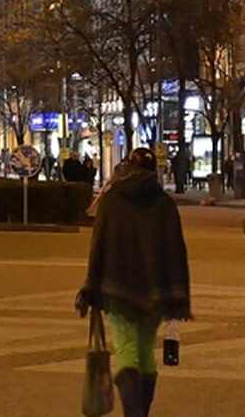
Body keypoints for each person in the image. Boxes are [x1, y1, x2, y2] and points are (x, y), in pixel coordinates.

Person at [79, 148, 190, 417]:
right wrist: (179, 295)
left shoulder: (111, 201)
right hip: (155, 289)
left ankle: (134, 411)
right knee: (145, 349)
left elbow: (99, 246)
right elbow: (176, 250)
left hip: (117, 287)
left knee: (127, 348)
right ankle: (141, 411)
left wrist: (90, 288)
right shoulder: (164, 203)